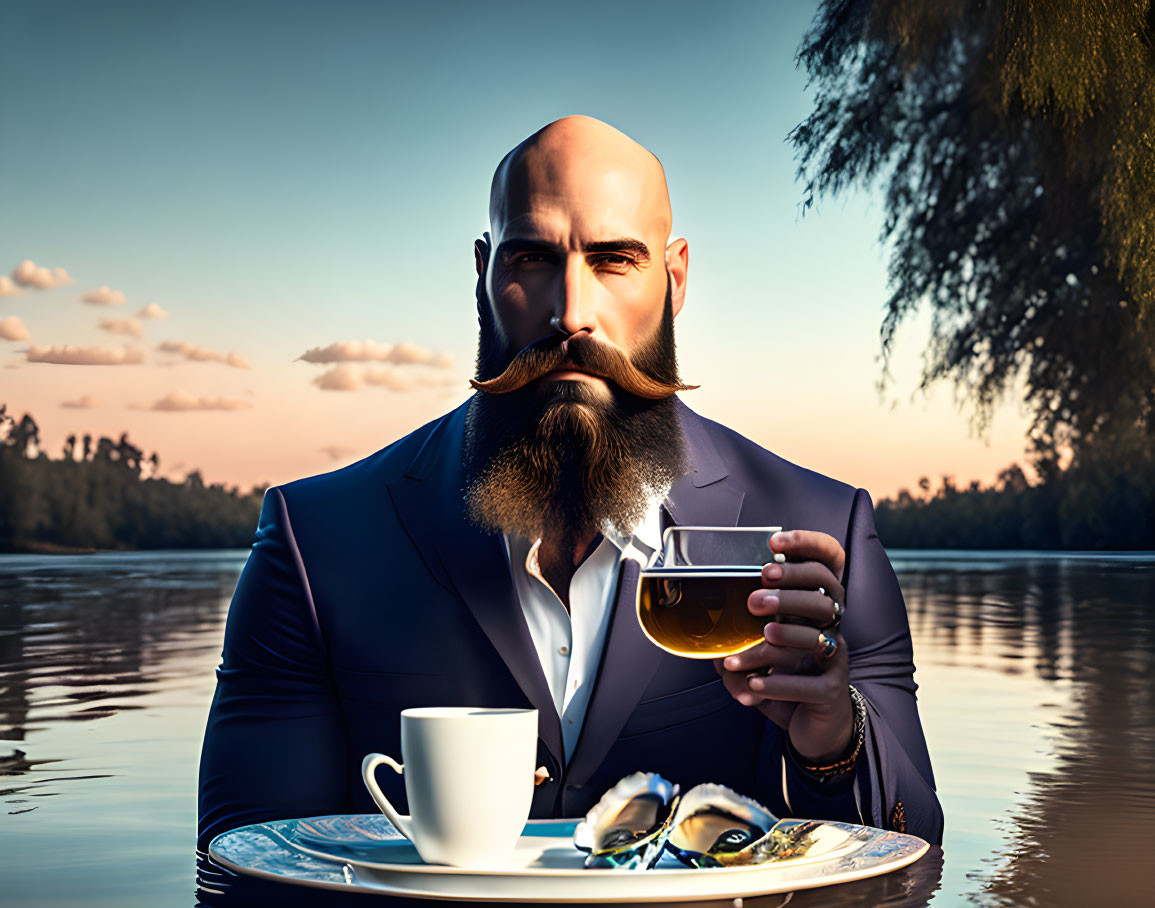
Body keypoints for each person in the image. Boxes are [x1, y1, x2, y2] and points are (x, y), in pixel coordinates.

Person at [197, 115, 944, 858]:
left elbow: (909, 851)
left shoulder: (822, 528)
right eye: (531, 258)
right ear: (484, 275)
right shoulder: (315, 537)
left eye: (616, 260)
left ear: (674, 278)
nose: (572, 313)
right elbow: (245, 857)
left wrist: (833, 742)